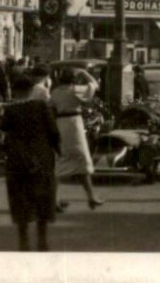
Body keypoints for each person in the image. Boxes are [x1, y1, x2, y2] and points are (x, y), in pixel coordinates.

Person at [0, 69, 60, 250]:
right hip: (41, 156)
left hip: (18, 159)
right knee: (43, 197)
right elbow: (53, 132)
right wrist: (57, 149)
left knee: (20, 199)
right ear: (31, 90)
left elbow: (4, 130)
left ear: (15, 91)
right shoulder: (41, 107)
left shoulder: (10, 110)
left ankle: (23, 239)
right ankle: (42, 238)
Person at [52, 69, 103, 212]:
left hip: (60, 124)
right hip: (74, 124)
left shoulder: (56, 92)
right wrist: (84, 73)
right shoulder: (76, 90)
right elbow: (94, 85)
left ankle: (54, 199)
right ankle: (91, 196)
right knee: (83, 159)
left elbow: (51, 107)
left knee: (61, 160)